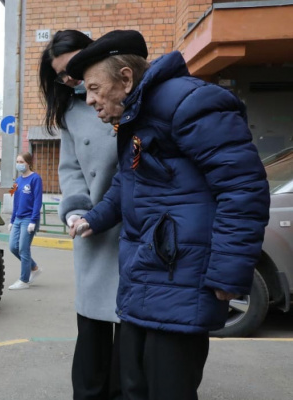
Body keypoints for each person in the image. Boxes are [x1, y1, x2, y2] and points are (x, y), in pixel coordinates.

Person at [65, 30, 270, 399]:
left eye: (94, 88)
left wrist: (229, 273)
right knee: (132, 389)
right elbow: (124, 186)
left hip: (182, 280)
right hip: (144, 277)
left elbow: (243, 189)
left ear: (126, 78)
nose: (90, 99)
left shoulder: (191, 102)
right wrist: (93, 219)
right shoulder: (137, 116)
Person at [39, 30, 121, 400]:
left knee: (132, 341)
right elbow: (70, 169)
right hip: (92, 231)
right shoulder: (71, 110)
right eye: (62, 75)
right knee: (91, 331)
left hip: (135, 227)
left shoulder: (125, 93)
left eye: (75, 67)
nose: (71, 80)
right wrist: (73, 211)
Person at [7, 152, 43, 290]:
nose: (19, 164)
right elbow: (15, 200)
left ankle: (24, 280)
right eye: (17, 161)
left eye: (21, 162)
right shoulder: (17, 181)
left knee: (23, 248)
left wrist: (33, 220)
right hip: (18, 218)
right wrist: (12, 219)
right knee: (13, 247)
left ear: (28, 163)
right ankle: (34, 268)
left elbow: (37, 201)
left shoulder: (36, 179)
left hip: (29, 219)